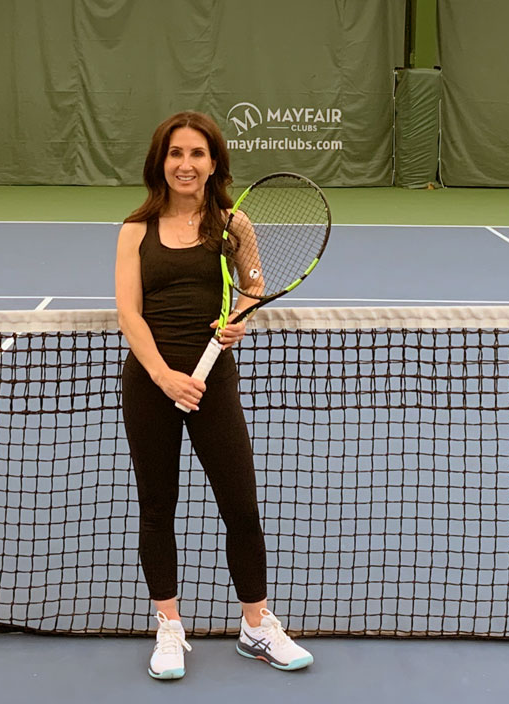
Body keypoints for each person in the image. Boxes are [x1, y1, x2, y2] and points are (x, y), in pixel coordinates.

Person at [115, 111, 313, 680]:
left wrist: (241, 319)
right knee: (157, 507)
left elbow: (252, 285)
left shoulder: (233, 226)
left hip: (213, 385)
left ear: (213, 163)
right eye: (176, 153)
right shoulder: (135, 230)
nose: (186, 164)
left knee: (241, 505)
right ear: (161, 161)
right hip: (152, 384)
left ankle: (256, 625)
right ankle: (169, 627)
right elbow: (129, 313)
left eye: (197, 154)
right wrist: (162, 375)